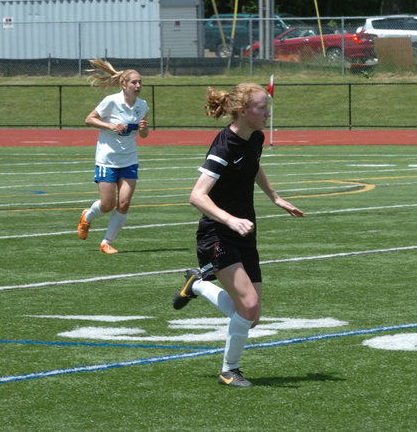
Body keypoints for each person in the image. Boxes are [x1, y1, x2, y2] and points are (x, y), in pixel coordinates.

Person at [172, 83, 305, 387]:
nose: (268, 113)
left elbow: (253, 165)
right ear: (244, 111)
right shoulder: (224, 146)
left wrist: (275, 197)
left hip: (243, 231)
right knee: (249, 306)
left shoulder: (255, 137)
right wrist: (231, 220)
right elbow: (197, 196)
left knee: (251, 315)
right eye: (262, 108)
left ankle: (197, 285)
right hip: (217, 233)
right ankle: (229, 370)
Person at [76, 58, 149, 254]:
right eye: (134, 82)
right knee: (107, 205)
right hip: (107, 160)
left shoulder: (142, 105)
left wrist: (143, 128)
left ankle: (106, 242)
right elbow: (89, 119)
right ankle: (87, 217)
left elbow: (143, 135)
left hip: (129, 160)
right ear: (124, 84)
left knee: (124, 203)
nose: (138, 86)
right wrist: (111, 126)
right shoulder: (111, 101)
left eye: (140, 82)